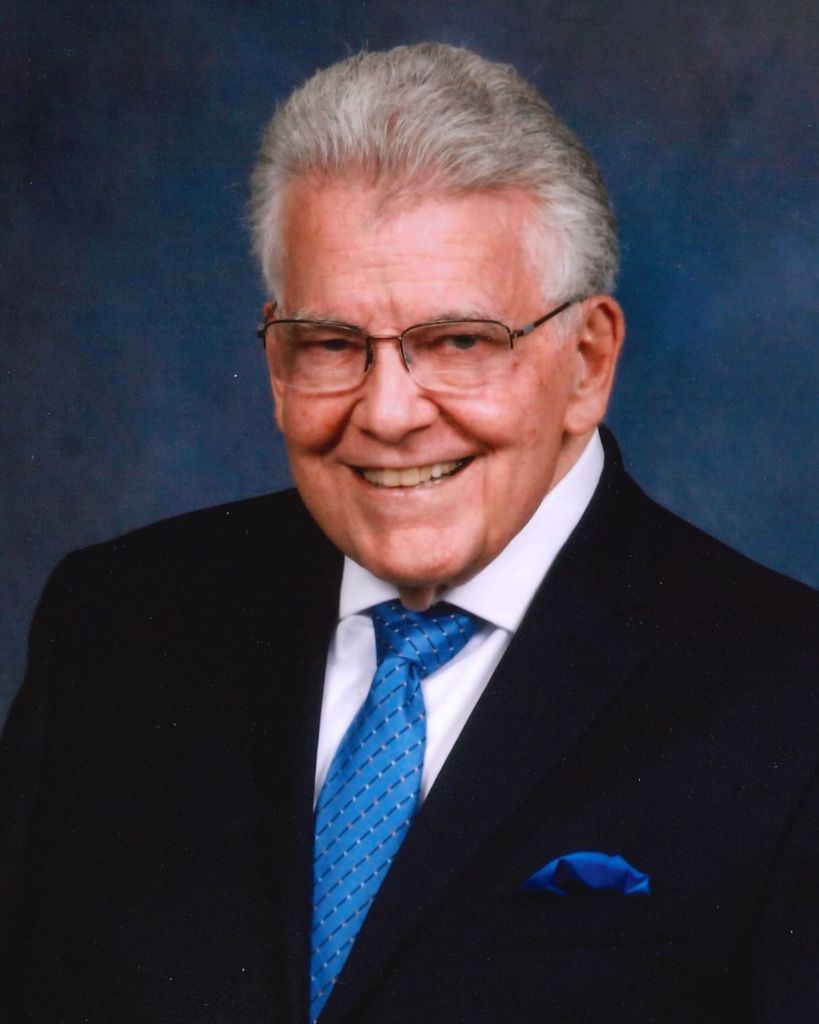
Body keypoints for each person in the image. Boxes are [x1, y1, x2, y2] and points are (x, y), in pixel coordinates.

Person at [1, 41, 818, 1024]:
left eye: (460, 341)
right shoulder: (114, 623)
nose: (388, 414)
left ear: (588, 362)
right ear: (276, 364)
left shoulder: (790, 696)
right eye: (330, 344)